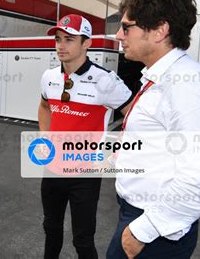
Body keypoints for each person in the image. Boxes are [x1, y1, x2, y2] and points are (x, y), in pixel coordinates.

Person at [107, 0, 200, 258]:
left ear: (160, 30)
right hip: (141, 215)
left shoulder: (186, 85)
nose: (118, 35)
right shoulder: (161, 78)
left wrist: (143, 231)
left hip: (154, 228)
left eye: (127, 27)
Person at [39, 14, 133, 258]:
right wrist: (45, 139)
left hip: (85, 174)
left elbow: (135, 116)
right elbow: (44, 107)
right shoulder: (49, 77)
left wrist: (115, 152)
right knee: (51, 230)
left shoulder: (106, 80)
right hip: (51, 169)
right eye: (58, 39)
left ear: (86, 43)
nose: (61, 45)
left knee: (82, 239)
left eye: (69, 39)